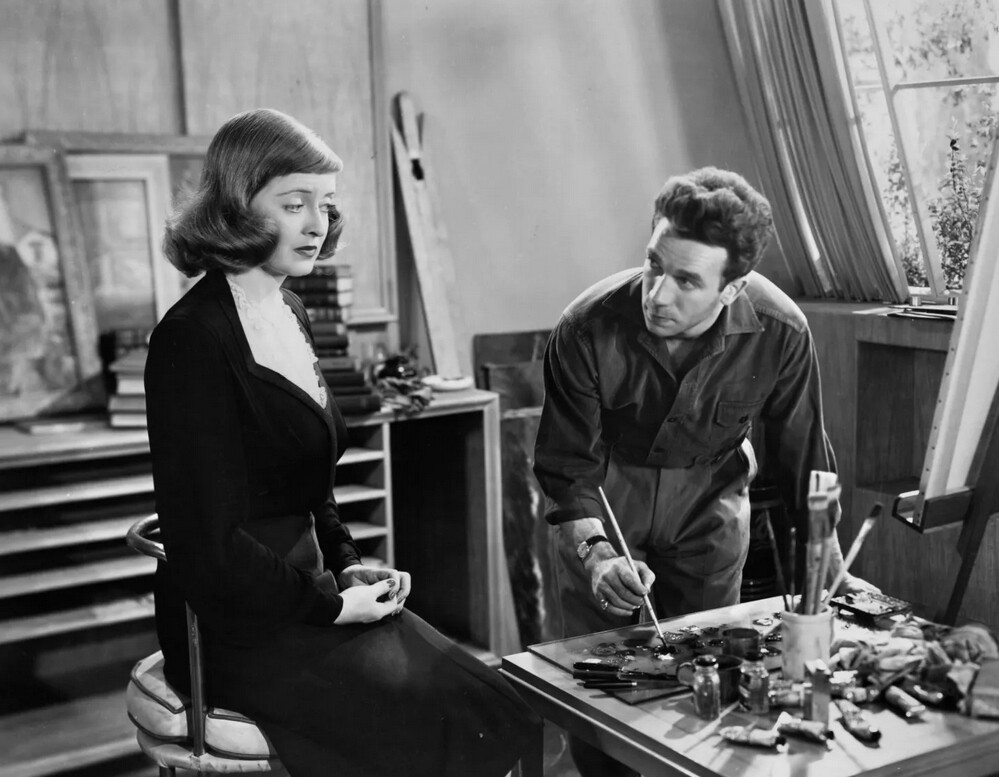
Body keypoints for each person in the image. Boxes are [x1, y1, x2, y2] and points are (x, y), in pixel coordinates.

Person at [145, 108, 538, 777]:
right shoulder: (191, 338)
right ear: (237, 207)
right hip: (234, 623)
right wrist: (329, 606)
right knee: (439, 726)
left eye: (325, 204)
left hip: (311, 593)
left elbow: (309, 484)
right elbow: (208, 543)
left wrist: (348, 563)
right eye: (293, 203)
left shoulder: (290, 310)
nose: (317, 224)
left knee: (500, 705)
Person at [533, 167, 877, 777]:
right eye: (653, 264)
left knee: (710, 666)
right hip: (608, 495)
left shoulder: (781, 331)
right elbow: (567, 466)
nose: (657, 294)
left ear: (732, 287)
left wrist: (827, 564)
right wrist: (596, 556)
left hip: (711, 495)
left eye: (687, 280)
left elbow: (805, 462)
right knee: (601, 682)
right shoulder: (585, 327)